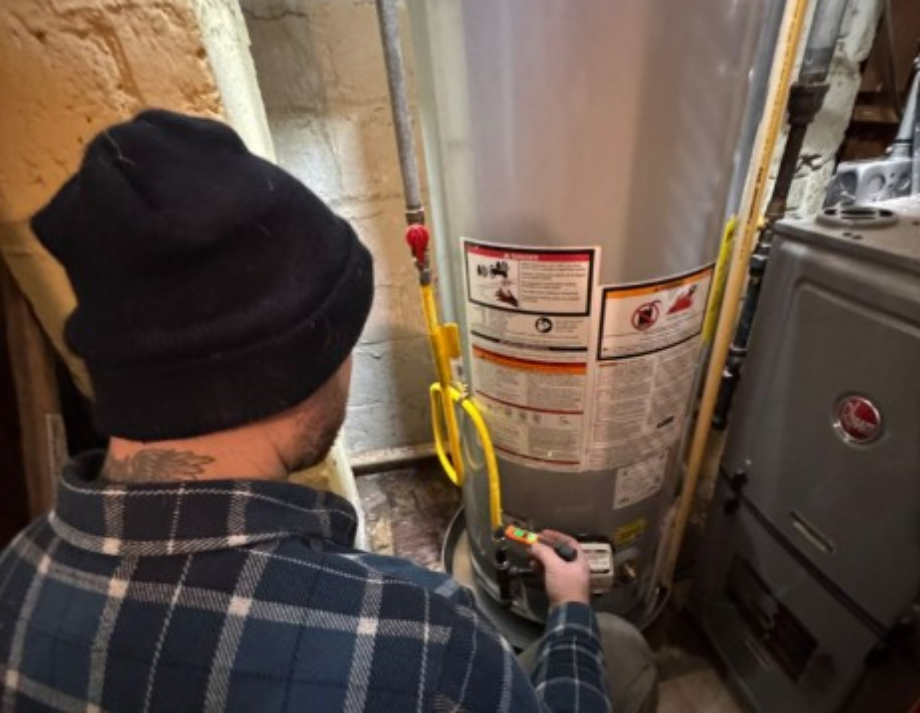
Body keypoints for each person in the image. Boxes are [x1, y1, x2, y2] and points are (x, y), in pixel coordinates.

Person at [0, 110, 655, 712]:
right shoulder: (423, 644)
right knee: (619, 654)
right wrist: (571, 612)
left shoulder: (16, 574)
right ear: (296, 367)